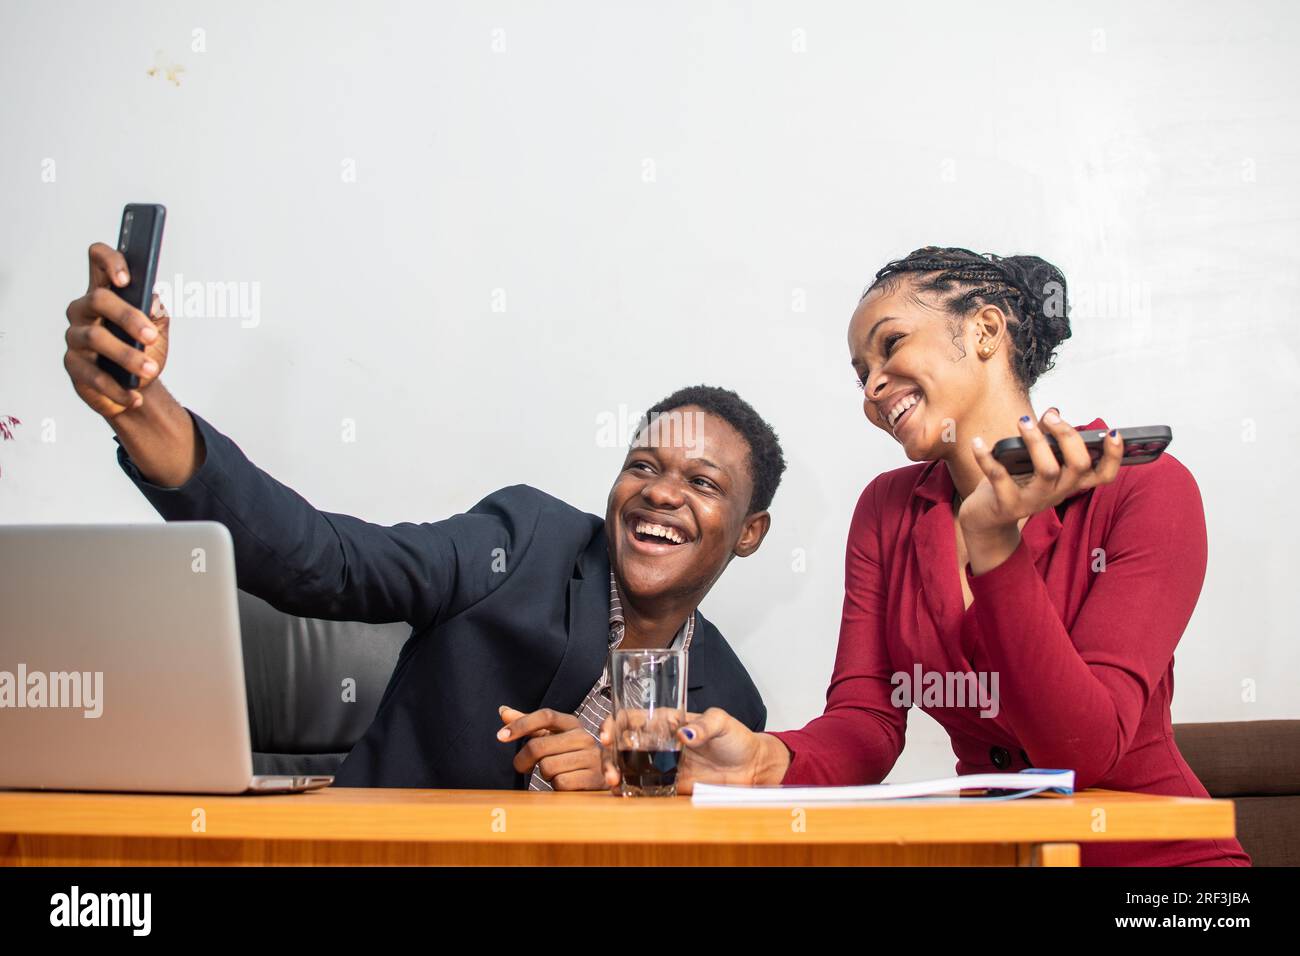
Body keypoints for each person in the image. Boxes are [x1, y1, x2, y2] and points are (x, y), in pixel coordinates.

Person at [602, 246, 1251, 866]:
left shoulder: (1145, 491)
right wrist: (766, 761)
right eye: (861, 375)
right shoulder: (887, 511)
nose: (874, 387)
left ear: (985, 331)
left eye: (890, 345)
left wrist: (996, 547)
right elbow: (866, 721)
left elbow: (1085, 748)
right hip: (996, 857)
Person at [62, 241, 785, 791]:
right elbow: (326, 562)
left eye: (701, 482)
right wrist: (141, 408)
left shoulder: (730, 706)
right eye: (644, 467)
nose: (660, 493)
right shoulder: (523, 544)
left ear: (750, 532)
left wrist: (607, 789)